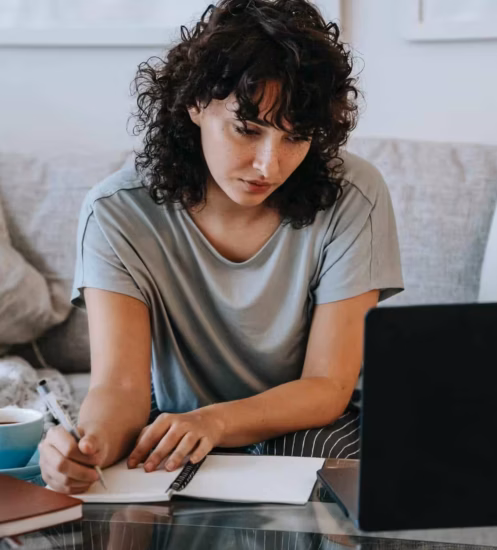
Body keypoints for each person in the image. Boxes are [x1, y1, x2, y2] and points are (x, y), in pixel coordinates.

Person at [39, 0, 404, 494]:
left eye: (296, 139)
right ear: (195, 104)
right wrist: (87, 448)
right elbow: (120, 387)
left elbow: (328, 386)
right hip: (176, 422)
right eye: (247, 130)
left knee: (323, 467)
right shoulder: (116, 212)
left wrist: (216, 422)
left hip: (306, 425)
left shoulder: (354, 195)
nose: (268, 166)